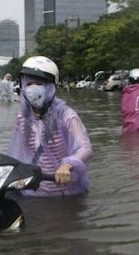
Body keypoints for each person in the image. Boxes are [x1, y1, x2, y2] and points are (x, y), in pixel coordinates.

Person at [8, 56, 93, 197]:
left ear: (50, 86)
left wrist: (67, 165)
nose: (32, 88)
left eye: (39, 83)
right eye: (29, 83)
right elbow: (17, 153)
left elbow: (85, 148)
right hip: (32, 192)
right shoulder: (23, 117)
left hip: (63, 193)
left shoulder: (66, 115)